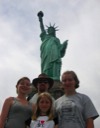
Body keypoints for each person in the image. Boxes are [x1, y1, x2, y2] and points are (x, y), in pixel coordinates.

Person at [37, 11, 68, 80]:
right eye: (49, 30)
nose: (51, 31)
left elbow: (60, 50)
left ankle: (55, 76)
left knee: (55, 62)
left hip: (55, 53)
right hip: (46, 53)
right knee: (46, 64)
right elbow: (42, 28)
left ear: (54, 31)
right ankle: (46, 77)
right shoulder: (45, 36)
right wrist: (40, 19)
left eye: (52, 30)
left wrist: (64, 46)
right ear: (48, 31)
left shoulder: (56, 39)